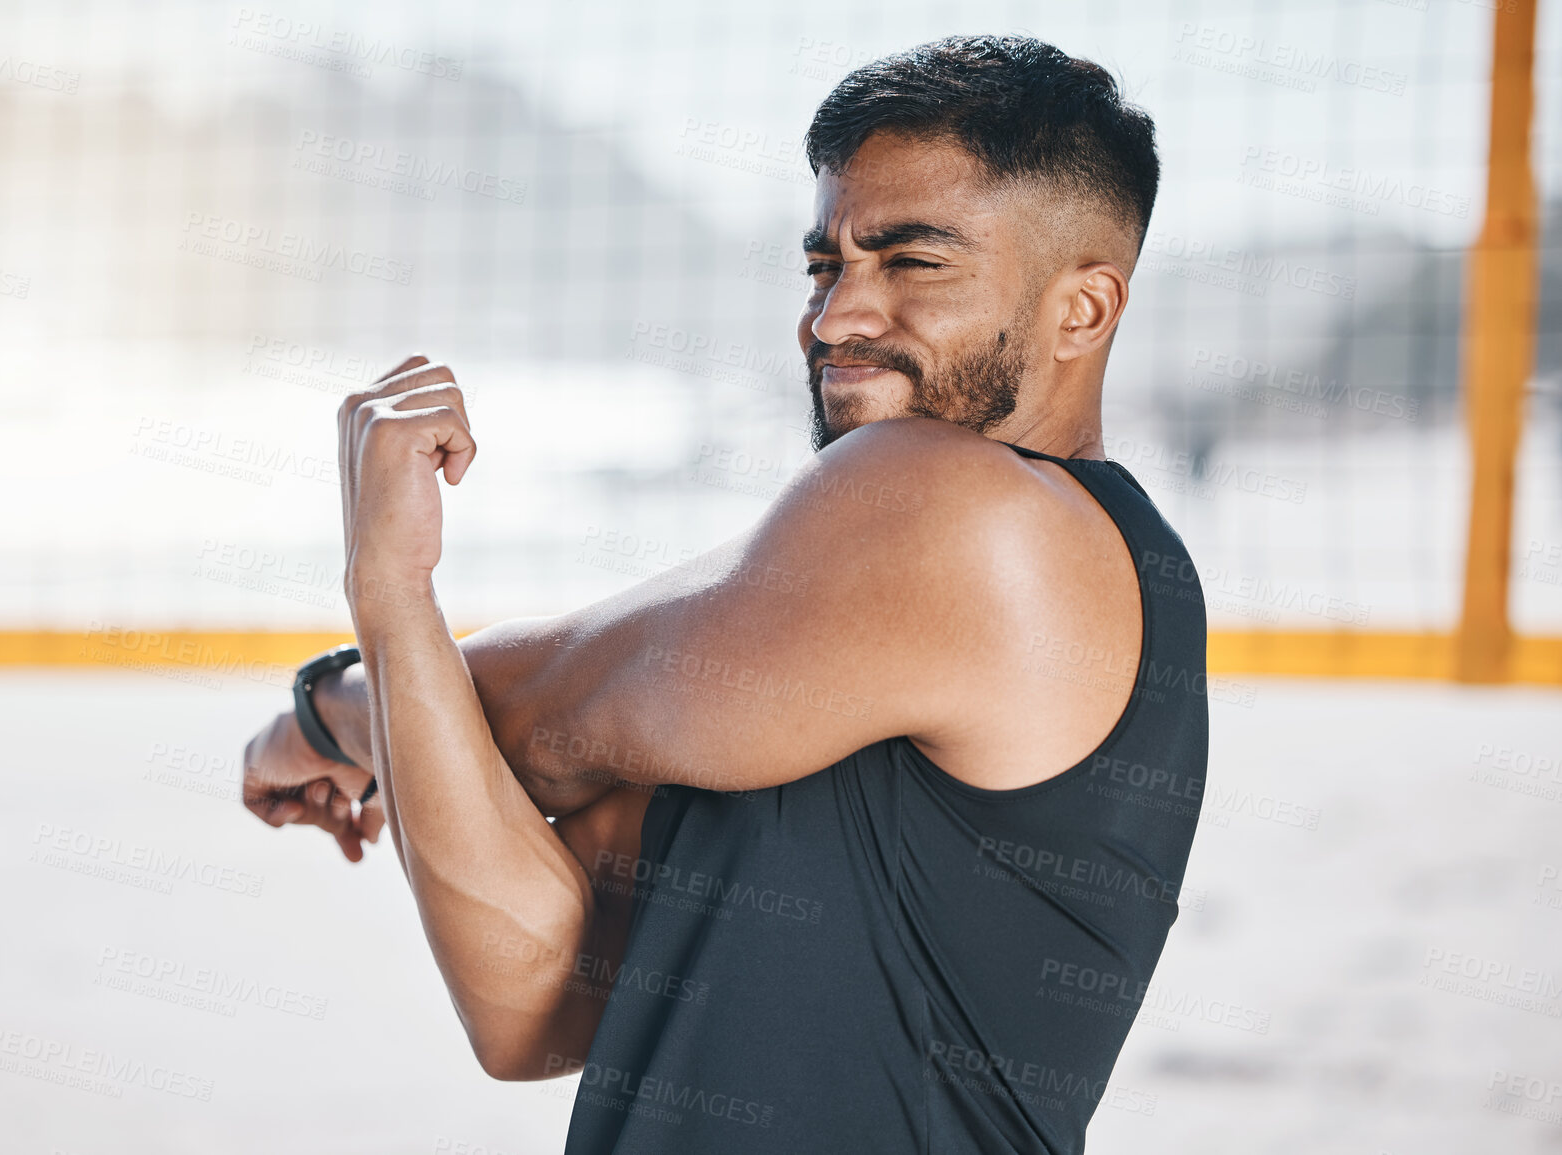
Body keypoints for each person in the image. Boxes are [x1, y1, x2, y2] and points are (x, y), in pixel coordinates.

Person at [243, 34, 1208, 1154]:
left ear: (1082, 311)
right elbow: (531, 1008)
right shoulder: (815, 671)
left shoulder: (963, 507)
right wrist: (394, 601)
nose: (838, 314)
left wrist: (324, 710)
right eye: (825, 265)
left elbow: (539, 719)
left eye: (913, 262)